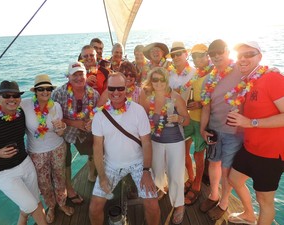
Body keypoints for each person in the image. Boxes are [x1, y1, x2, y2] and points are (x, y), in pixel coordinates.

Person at [89, 72, 161, 225]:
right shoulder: (100, 116)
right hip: (111, 165)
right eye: (112, 88)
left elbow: (147, 143)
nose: (116, 92)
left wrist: (146, 171)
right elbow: (97, 148)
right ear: (107, 89)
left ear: (127, 89)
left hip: (138, 163)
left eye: (120, 88)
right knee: (94, 207)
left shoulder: (138, 111)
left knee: (152, 204)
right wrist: (101, 176)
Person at [226, 41, 284, 225]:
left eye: (249, 54)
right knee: (234, 179)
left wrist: (250, 122)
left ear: (259, 57)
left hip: (270, 154)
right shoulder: (249, 81)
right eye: (239, 55)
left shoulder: (272, 79)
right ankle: (249, 215)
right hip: (250, 148)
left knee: (264, 200)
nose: (243, 58)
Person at [0, 81, 47, 225]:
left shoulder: (21, 114)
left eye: (16, 95)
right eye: (6, 95)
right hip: (3, 173)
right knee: (34, 206)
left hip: (25, 163)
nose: (12, 99)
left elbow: (40, 104)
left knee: (34, 201)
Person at [199, 39, 243, 220]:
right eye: (212, 54)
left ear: (227, 51)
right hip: (215, 129)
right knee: (214, 163)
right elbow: (206, 107)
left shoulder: (241, 71)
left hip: (234, 132)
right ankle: (213, 195)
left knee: (227, 169)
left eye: (219, 52)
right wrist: (203, 129)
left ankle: (224, 201)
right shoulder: (208, 79)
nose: (216, 56)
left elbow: (260, 74)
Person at [140, 67, 190, 224]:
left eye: (162, 79)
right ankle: (162, 189)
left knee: (176, 174)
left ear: (167, 80)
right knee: (157, 171)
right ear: (150, 81)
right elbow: (142, 120)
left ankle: (179, 205)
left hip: (175, 141)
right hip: (155, 141)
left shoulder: (175, 97)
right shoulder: (147, 98)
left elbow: (187, 120)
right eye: (155, 79)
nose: (159, 83)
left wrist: (179, 119)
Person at [24, 74, 74, 223]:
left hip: (58, 148)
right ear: (35, 91)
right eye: (41, 89)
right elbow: (6, 107)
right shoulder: (25, 105)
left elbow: (60, 132)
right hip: (36, 153)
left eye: (48, 89)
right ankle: (51, 206)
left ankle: (62, 203)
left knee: (60, 178)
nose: (45, 92)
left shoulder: (56, 106)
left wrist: (62, 128)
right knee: (44, 183)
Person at [52, 61, 99, 204]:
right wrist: (74, 123)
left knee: (94, 151)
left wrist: (92, 122)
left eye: (81, 74)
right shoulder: (58, 93)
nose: (79, 78)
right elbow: (52, 118)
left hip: (85, 132)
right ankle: (69, 190)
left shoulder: (94, 94)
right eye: (75, 75)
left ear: (86, 75)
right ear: (68, 77)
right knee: (66, 161)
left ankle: (92, 175)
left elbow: (97, 113)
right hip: (64, 133)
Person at [183, 44, 213, 206]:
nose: (198, 59)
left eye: (201, 55)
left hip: (203, 120)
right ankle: (191, 176)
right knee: (183, 149)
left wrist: (200, 105)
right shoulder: (195, 74)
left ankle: (197, 185)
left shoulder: (214, 74)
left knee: (198, 154)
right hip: (189, 119)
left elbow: (221, 96)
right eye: (194, 56)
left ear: (208, 55)